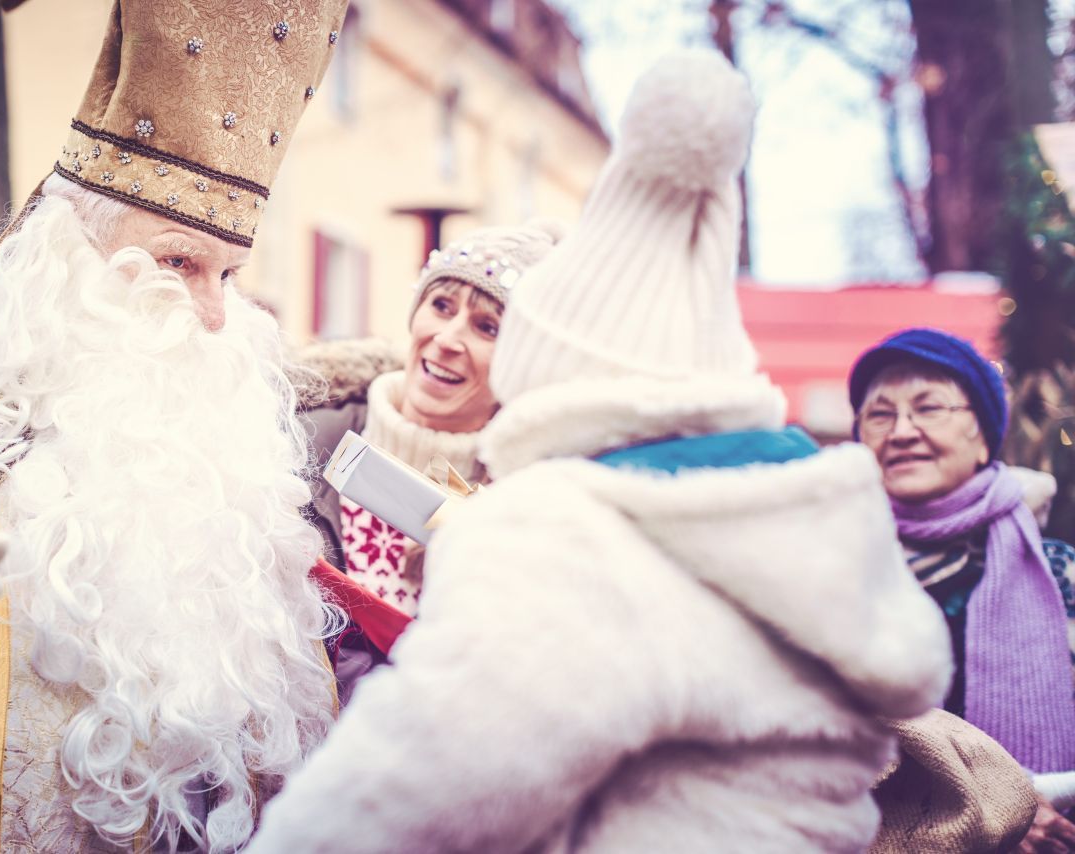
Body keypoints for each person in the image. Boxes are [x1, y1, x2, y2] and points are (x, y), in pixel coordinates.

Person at [247, 48, 953, 853]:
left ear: (549, 368)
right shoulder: (813, 503)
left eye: (497, 333)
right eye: (440, 307)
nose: (452, 343)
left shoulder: (569, 529)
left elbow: (406, 790)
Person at [0, 1, 348, 850]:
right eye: (175, 262)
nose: (209, 317)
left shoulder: (223, 487)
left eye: (227, 275)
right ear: (68, 255)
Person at [849, 327, 1075, 851]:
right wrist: (1002, 802)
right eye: (880, 414)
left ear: (982, 434)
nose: (901, 431)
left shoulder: (1059, 572)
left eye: (929, 408)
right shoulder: (821, 575)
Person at [307, 222, 560, 614]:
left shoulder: (533, 510)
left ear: (520, 367)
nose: (446, 339)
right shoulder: (297, 439)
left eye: (487, 327)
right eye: (441, 306)